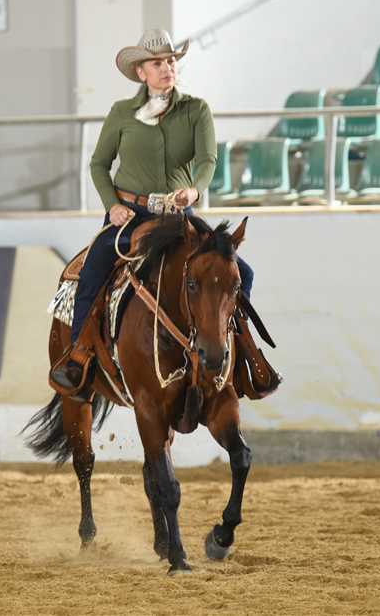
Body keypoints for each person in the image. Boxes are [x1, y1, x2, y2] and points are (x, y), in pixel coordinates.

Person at [50, 29, 255, 393]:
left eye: (171, 61)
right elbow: (99, 165)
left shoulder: (196, 110)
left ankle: (240, 356)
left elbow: (208, 159)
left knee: (242, 272)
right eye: (157, 63)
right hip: (130, 215)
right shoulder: (122, 113)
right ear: (140, 72)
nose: (167, 68)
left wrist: (195, 189)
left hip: (178, 219)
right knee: (94, 267)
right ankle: (79, 353)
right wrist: (112, 205)